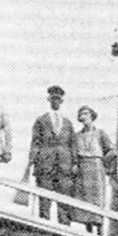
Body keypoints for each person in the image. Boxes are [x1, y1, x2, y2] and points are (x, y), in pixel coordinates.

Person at [27, 85, 77, 222]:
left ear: (62, 101)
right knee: (44, 200)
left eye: (58, 99)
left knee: (64, 201)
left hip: (64, 167)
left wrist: (75, 163)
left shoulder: (68, 123)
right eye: (53, 99)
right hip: (45, 165)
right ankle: (44, 228)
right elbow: (35, 142)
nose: (55, 101)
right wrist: (32, 160)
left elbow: (73, 144)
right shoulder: (41, 120)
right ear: (49, 100)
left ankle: (65, 230)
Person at [71, 106, 118, 232]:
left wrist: (102, 161)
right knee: (85, 198)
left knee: (97, 198)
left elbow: (113, 151)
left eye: (86, 113)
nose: (84, 116)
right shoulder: (77, 136)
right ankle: (89, 230)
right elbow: (74, 152)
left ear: (92, 116)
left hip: (96, 167)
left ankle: (100, 230)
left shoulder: (100, 133)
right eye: (81, 114)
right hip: (83, 167)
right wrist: (75, 164)